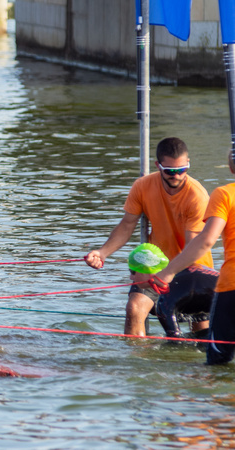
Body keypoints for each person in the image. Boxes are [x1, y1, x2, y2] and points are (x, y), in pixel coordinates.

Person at [85, 137, 214, 336]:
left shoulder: (197, 196)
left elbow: (192, 248)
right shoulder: (142, 186)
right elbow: (127, 225)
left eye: (182, 169)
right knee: (134, 309)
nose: (177, 176)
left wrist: (168, 273)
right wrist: (102, 253)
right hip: (154, 267)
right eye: (170, 170)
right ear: (158, 165)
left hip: (192, 272)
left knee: (201, 335)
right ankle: (138, 362)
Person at [135, 150, 235, 363]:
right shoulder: (145, 186)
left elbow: (206, 240)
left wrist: (167, 272)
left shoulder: (225, 194)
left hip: (230, 285)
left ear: (231, 167)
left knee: (218, 361)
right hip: (213, 282)